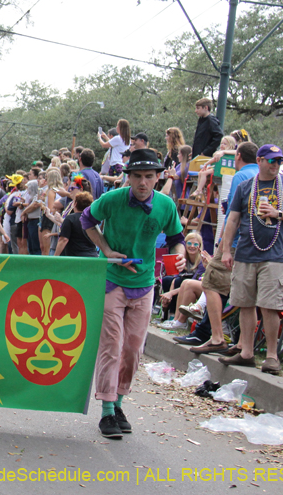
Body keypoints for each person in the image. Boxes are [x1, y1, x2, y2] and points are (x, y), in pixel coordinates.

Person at [80, 148, 185, 439]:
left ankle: (119, 403)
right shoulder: (112, 199)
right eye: (137, 176)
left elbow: (177, 239)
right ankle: (106, 411)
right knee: (112, 346)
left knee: (133, 351)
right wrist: (108, 251)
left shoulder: (166, 205)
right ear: (128, 177)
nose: (142, 182)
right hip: (111, 281)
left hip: (144, 285)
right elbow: (86, 220)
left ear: (157, 177)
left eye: (149, 177)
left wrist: (181, 255)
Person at [219, 145, 283, 375]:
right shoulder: (245, 186)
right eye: (271, 160)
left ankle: (271, 356)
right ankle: (246, 352)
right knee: (245, 303)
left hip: (275, 256)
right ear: (259, 160)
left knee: (270, 306)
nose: (275, 164)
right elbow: (233, 219)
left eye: (279, 160)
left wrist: (277, 214)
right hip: (247, 253)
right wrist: (226, 250)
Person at [176, 142, 259, 353]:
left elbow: (233, 214)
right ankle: (241, 344)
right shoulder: (266, 178)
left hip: (237, 240)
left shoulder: (241, 177)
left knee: (211, 282)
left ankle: (215, 336)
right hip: (257, 244)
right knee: (244, 294)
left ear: (238, 156)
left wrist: (224, 243)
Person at [54, 190, 97, 257]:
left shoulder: (70, 218)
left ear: (75, 204)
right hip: (92, 256)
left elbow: (63, 239)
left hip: (76, 258)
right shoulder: (92, 219)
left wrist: (55, 256)